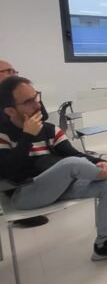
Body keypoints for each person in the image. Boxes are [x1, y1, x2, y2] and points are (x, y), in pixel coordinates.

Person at [0, 76, 107, 261]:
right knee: (70, 165)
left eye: (36, 97)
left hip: (59, 188)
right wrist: (27, 136)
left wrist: (101, 163)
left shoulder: (50, 129)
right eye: (28, 101)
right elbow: (7, 172)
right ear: (10, 111)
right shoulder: (3, 135)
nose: (37, 104)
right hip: (24, 195)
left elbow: (73, 153)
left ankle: (103, 245)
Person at [0, 60, 49, 228]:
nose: (13, 74)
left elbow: (43, 115)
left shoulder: (20, 91)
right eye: (7, 71)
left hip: (25, 140)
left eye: (14, 70)